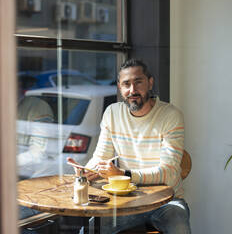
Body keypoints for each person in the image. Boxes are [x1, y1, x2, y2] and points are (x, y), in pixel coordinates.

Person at [67, 58, 191, 234]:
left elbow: (170, 173)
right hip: (127, 199)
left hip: (167, 201)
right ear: (120, 87)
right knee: (89, 231)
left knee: (180, 228)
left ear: (150, 83)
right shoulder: (112, 113)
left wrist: (123, 175)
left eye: (138, 82)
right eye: (126, 84)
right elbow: (101, 157)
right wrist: (86, 171)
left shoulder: (171, 115)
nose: (132, 90)